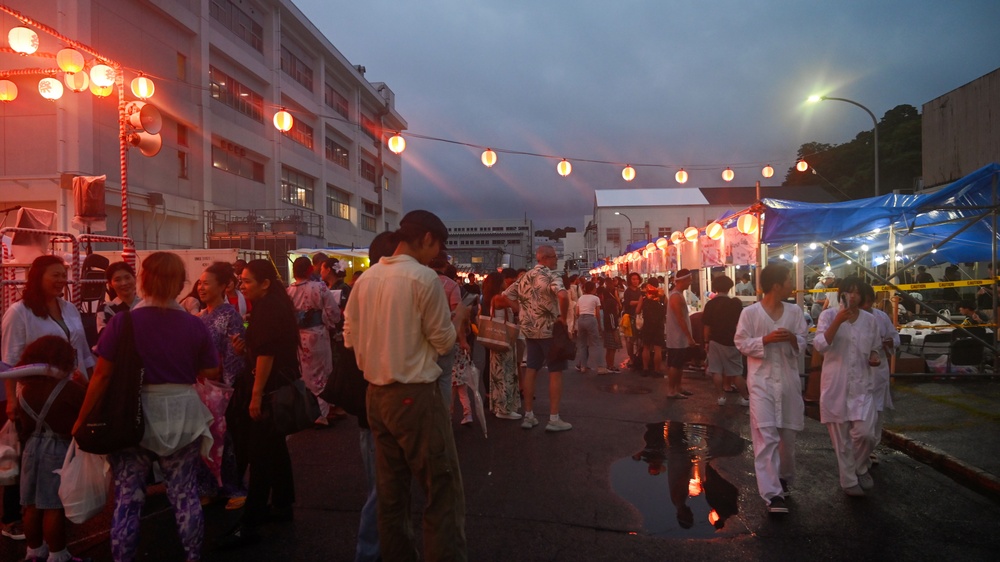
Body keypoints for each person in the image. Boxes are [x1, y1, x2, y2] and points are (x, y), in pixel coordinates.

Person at [76, 252, 218, 562]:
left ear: (143, 280)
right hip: (182, 414)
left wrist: (82, 419)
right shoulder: (194, 326)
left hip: (131, 414)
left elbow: (101, 375)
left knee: (128, 497)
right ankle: (193, 556)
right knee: (185, 494)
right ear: (180, 284)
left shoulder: (123, 322)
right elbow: (210, 372)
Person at [343, 210, 467, 561]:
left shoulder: (365, 280)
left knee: (391, 495)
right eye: (437, 246)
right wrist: (458, 319)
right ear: (426, 238)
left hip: (375, 397)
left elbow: (349, 339)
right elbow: (444, 343)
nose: (436, 255)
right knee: (442, 492)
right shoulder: (422, 279)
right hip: (414, 395)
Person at [221, 259, 302, 547]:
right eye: (241, 281)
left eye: (247, 281)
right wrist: (246, 350)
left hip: (269, 390)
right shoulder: (274, 305)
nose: (242, 285)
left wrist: (255, 396)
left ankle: (251, 522)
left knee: (261, 453)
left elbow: (267, 355)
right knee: (274, 447)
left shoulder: (268, 308)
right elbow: (265, 350)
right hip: (277, 385)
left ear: (265, 283)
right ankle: (282, 504)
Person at [734, 263, 807, 514]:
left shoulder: (795, 311)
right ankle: (772, 494)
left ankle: (784, 477)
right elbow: (741, 342)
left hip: (787, 383)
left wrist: (793, 339)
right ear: (777, 285)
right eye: (788, 280)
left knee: (787, 437)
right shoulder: (751, 314)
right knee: (766, 436)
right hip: (762, 383)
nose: (791, 285)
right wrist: (764, 340)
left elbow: (804, 341)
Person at [14, 336, 88, 562]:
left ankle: (34, 552)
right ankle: (58, 555)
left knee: (31, 504)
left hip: (30, 449)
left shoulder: (24, 391)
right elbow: (86, 412)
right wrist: (85, 384)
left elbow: (23, 425)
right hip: (57, 449)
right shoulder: (70, 389)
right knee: (53, 505)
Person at [813, 276, 882, 497]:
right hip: (836, 385)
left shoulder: (870, 321)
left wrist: (874, 356)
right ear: (840, 294)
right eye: (848, 291)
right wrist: (837, 322)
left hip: (862, 384)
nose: (852, 296)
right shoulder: (828, 315)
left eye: (856, 292)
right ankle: (849, 480)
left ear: (862, 296)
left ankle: (860, 467)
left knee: (866, 434)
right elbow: (820, 345)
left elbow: (875, 347)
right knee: (841, 440)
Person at [503, 245, 572, 432]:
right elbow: (563, 295)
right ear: (546, 258)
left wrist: (520, 310)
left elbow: (506, 295)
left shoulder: (524, 277)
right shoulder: (551, 275)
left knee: (531, 369)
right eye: (554, 257)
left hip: (529, 330)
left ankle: (529, 415)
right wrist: (563, 318)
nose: (556, 260)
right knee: (555, 371)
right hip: (549, 330)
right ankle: (554, 418)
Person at [196, 262, 248, 508]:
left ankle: (232, 487)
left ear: (222, 286)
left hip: (220, 386)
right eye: (200, 283)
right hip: (199, 385)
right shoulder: (200, 315)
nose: (201, 287)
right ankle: (207, 486)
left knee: (223, 438)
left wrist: (225, 384)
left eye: (207, 283)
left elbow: (234, 354)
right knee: (203, 437)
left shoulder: (230, 315)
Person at [287, 256, 340, 425]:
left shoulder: (288, 291)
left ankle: (307, 410)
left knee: (305, 373)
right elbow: (333, 311)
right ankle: (321, 413)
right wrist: (329, 321)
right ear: (310, 270)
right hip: (317, 334)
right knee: (322, 373)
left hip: (298, 335)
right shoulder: (319, 287)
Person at [860, 282, 899, 466]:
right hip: (858, 373)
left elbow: (895, 337)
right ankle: (858, 451)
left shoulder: (882, 317)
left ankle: (870, 449)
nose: (867, 306)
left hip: (879, 371)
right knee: (860, 414)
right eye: (864, 301)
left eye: (870, 301)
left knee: (876, 412)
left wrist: (889, 342)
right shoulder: (850, 319)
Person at [702, 275, 749, 406]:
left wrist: (706, 342)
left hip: (714, 340)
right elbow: (739, 325)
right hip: (731, 341)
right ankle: (745, 398)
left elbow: (707, 326)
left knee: (716, 370)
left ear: (715, 288)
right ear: (729, 287)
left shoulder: (710, 304)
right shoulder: (734, 304)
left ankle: (721, 397)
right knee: (736, 372)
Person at [482, 272, 521, 419]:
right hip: (504, 339)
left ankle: (499, 406)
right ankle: (504, 409)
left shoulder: (492, 298)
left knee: (498, 373)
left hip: (497, 340)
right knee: (506, 372)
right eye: (504, 281)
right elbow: (516, 307)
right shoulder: (499, 298)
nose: (506, 282)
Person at [664, 269, 697, 398]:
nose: (690, 282)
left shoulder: (678, 294)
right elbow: (680, 318)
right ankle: (672, 391)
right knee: (675, 364)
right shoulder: (676, 296)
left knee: (679, 364)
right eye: (689, 279)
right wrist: (689, 337)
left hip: (679, 337)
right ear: (683, 280)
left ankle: (678, 387)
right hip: (677, 338)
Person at [97, 261, 141, 334]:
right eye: (117, 280)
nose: (124, 283)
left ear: (135, 278)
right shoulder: (106, 309)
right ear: (110, 284)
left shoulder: (146, 305)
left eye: (127, 278)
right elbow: (105, 337)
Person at [574, 281, 606, 374]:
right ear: (593, 289)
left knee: (583, 344)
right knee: (596, 344)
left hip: (581, 319)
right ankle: (600, 367)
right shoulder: (596, 298)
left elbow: (576, 312)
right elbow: (598, 314)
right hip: (591, 319)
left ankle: (583, 366)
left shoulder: (580, 298)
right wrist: (599, 325)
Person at [637, 280, 666, 378]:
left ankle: (645, 369)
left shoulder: (644, 296)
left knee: (646, 347)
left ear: (648, 285)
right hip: (659, 324)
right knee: (658, 348)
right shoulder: (662, 296)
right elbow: (667, 308)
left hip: (647, 324)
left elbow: (637, 310)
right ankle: (657, 370)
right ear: (658, 285)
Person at [621, 272, 644, 371]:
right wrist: (641, 302)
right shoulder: (628, 292)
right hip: (630, 317)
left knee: (640, 339)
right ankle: (631, 357)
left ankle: (638, 356)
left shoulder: (640, 290)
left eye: (637, 279)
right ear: (630, 280)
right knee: (630, 339)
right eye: (633, 279)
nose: (635, 281)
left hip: (640, 317)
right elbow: (629, 303)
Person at [598, 284, 623, 373]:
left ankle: (609, 365)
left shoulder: (606, 301)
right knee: (612, 348)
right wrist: (614, 328)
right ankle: (611, 366)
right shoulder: (612, 302)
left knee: (609, 348)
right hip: (611, 328)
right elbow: (612, 316)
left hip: (607, 327)